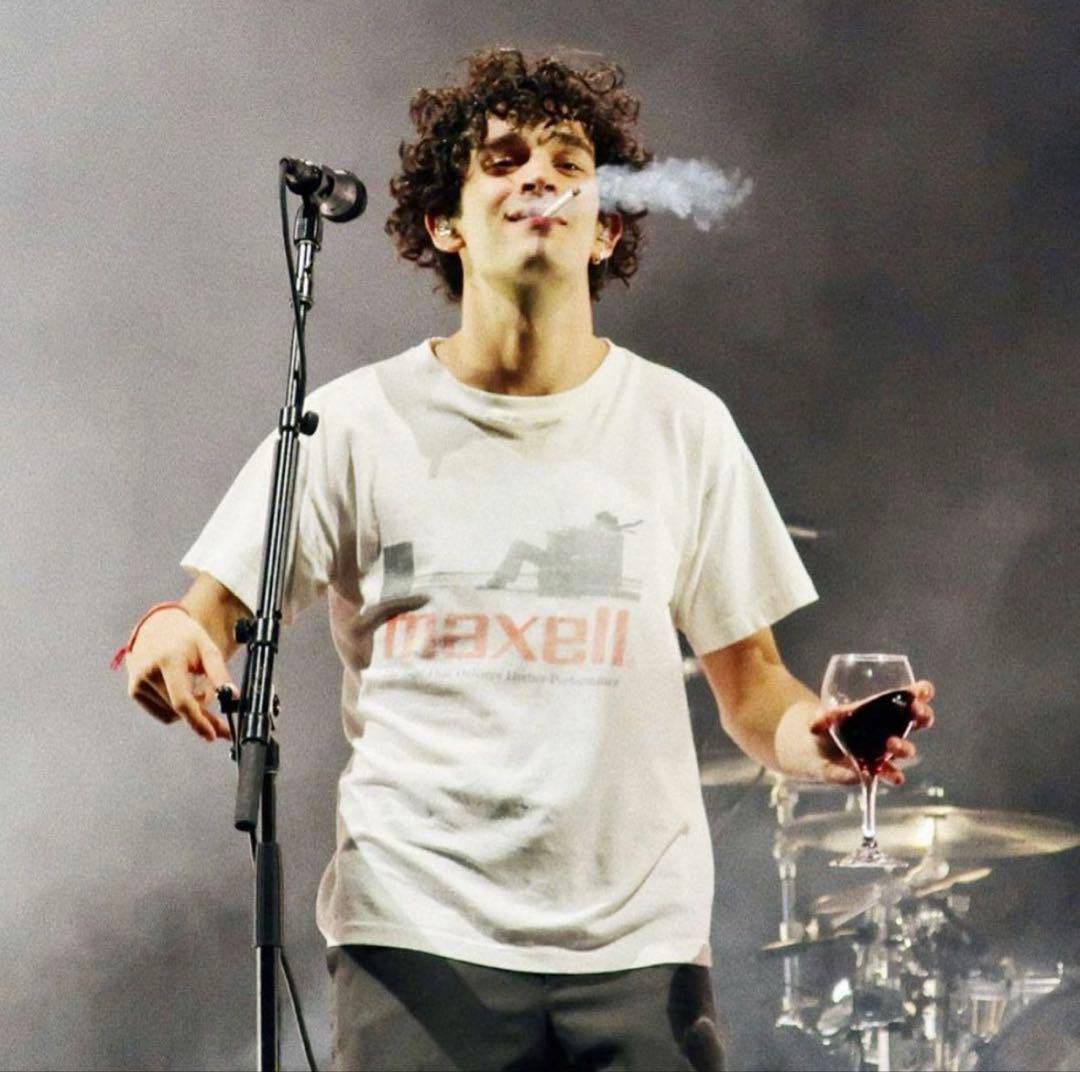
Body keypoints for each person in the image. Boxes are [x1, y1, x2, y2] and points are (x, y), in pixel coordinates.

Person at [118, 48, 935, 1072]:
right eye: (503, 161)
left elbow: (754, 687)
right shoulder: (353, 423)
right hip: (417, 943)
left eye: (567, 161)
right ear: (444, 223)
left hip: (639, 953)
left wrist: (820, 740)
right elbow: (207, 611)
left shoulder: (683, 425)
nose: (537, 177)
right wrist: (170, 634)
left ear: (607, 227)